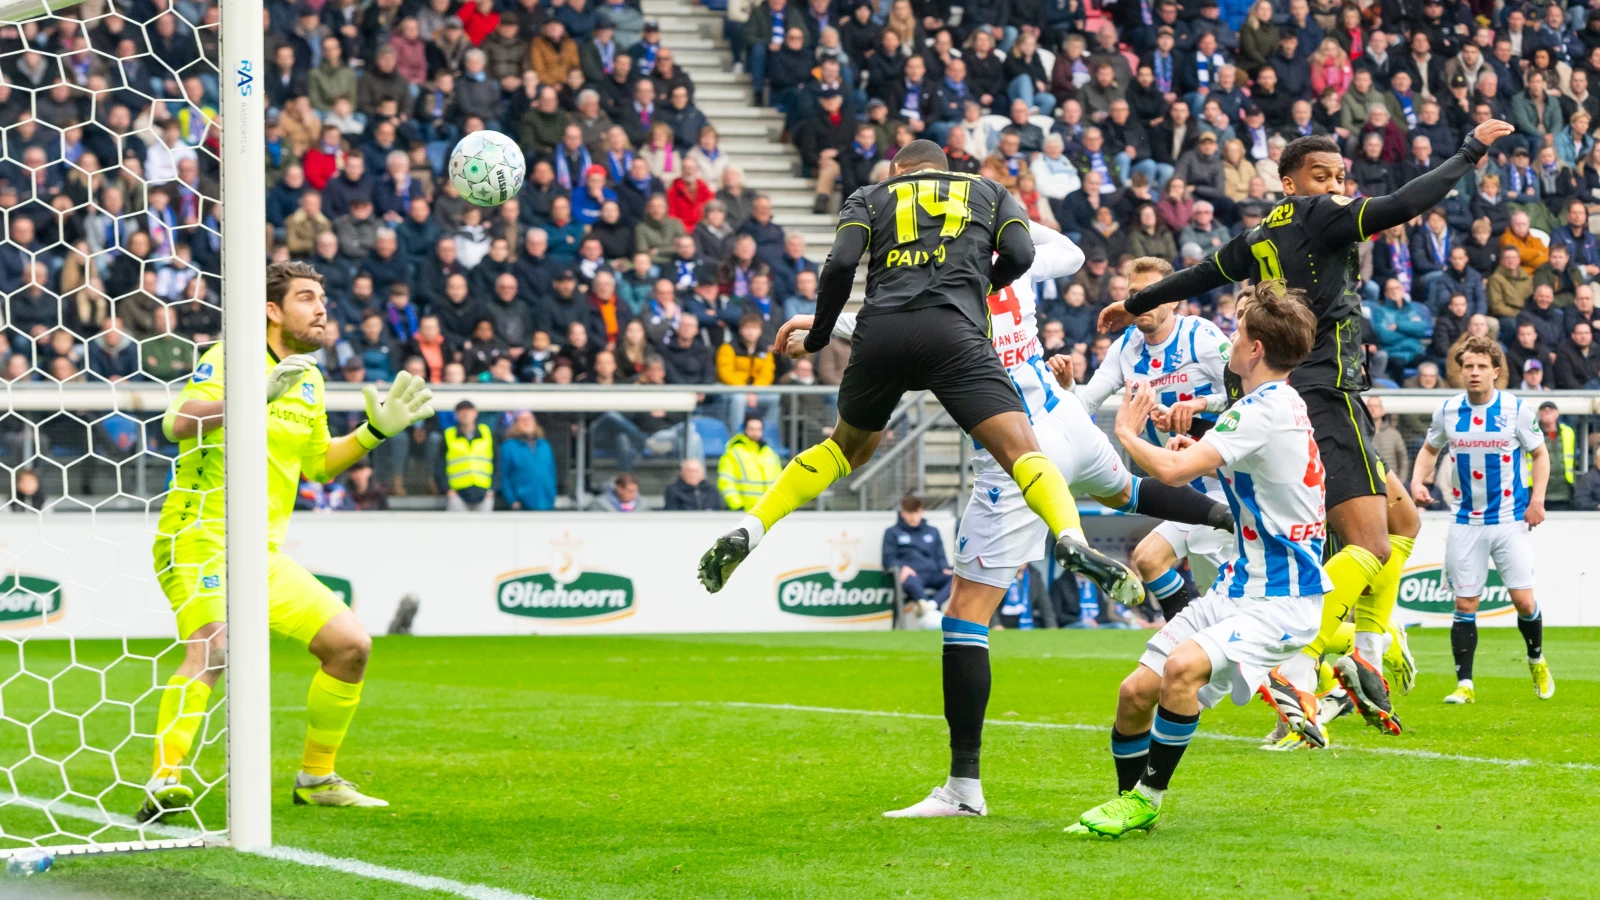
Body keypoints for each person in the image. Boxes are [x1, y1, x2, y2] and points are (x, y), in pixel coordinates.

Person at [779, 225, 1233, 819]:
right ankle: (1235, 520)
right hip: (1065, 415)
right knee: (1127, 490)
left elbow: (897, 331)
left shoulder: (936, 278)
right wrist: (1007, 213)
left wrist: (819, 326)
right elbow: (1070, 250)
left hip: (1013, 441)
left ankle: (963, 789)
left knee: (965, 612)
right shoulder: (1010, 262)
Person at [1096, 120, 1519, 735]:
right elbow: (1403, 204)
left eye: (1340, 176)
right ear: (1289, 182)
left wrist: (1135, 304)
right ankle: (1315, 657)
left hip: (1282, 395)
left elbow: (1199, 275)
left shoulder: (1259, 233)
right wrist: (1469, 151)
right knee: (1373, 543)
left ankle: (1356, 647)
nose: (1336, 185)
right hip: (1322, 388)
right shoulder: (1320, 215)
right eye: (1322, 176)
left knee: (1397, 521)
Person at [697, 141, 1141, 607]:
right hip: (954, 334)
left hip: (881, 332)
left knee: (843, 449)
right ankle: (1069, 536)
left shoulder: (869, 196)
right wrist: (981, 285)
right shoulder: (987, 192)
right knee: (1023, 450)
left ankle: (754, 525)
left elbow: (841, 264)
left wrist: (818, 333)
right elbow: (1022, 252)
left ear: (896, 170)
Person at [141, 261, 435, 822]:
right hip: (198, 532)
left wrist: (375, 432)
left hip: (262, 551)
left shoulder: (310, 378)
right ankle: (166, 778)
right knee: (214, 648)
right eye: (305, 298)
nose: (321, 308)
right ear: (272, 310)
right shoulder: (230, 358)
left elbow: (319, 464)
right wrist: (248, 398)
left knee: (351, 646)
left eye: (322, 297)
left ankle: (317, 777)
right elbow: (176, 424)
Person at [1067, 281, 1329, 838]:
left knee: (1181, 671)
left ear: (1255, 349)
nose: (1230, 341)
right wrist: (1197, 451)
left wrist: (1124, 432)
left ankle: (1148, 799)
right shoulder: (1271, 403)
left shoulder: (1263, 408)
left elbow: (1168, 475)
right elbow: (1246, 465)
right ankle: (1127, 806)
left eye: (1238, 333)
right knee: (1134, 692)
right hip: (1238, 587)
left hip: (1280, 599)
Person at [1073, 256, 1236, 619]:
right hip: (1183, 486)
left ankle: (1205, 650)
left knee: (1223, 599)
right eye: (1134, 294)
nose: (1141, 301)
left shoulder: (1200, 335)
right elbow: (1085, 402)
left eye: (1152, 293)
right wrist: (1065, 388)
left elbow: (1247, 391)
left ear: (1173, 298)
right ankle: (1185, 637)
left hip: (1226, 478)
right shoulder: (1125, 347)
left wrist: (1200, 403)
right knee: (1149, 559)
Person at [1409, 336, 1554, 706]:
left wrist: (1537, 501)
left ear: (1495, 371)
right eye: (1467, 366)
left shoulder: (1516, 409)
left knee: (1523, 601)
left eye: (1481, 366)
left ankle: (1536, 659)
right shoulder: (1448, 411)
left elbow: (1540, 456)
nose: (1474, 373)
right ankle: (1465, 684)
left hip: (1509, 519)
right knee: (1465, 604)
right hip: (1465, 521)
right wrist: (1416, 481)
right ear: (1461, 371)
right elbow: (1429, 448)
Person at [716, 415, 783, 511]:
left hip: (768, 510)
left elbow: (779, 482)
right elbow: (726, 482)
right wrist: (737, 505)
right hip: (744, 511)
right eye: (751, 429)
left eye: (758, 429)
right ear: (745, 430)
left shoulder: (770, 453)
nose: (755, 433)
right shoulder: (734, 453)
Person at [498, 410, 557, 511]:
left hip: (546, 501)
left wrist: (552, 494)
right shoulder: (508, 447)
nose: (527, 422)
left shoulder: (544, 445)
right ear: (515, 424)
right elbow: (504, 476)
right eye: (523, 420)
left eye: (530, 419)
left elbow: (551, 471)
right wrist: (512, 500)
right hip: (522, 504)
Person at [442, 399, 495, 512]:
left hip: (484, 492)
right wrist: (447, 489)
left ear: (475, 413)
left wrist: (492, 489)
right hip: (458, 493)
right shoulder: (448, 434)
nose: (465, 414)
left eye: (469, 410)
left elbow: (497, 462)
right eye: (461, 411)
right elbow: (440, 465)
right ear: (456, 415)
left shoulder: (487, 433)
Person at [1536, 400, 1576, 510]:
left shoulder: (1568, 432)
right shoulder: (1533, 432)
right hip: (1538, 491)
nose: (1547, 412)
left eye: (1551, 409)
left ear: (1557, 414)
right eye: (1544, 410)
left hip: (1564, 490)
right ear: (1539, 414)